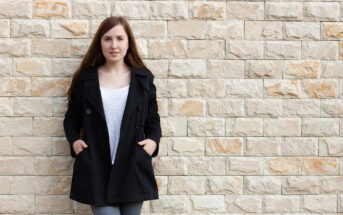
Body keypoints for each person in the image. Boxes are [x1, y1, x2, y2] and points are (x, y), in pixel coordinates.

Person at [63, 16, 162, 215]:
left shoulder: (143, 79)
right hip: (96, 166)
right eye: (107, 39)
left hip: (132, 165)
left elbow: (153, 118)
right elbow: (72, 118)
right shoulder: (86, 79)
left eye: (119, 38)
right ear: (100, 43)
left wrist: (153, 141)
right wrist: (74, 141)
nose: (114, 45)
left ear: (128, 43)